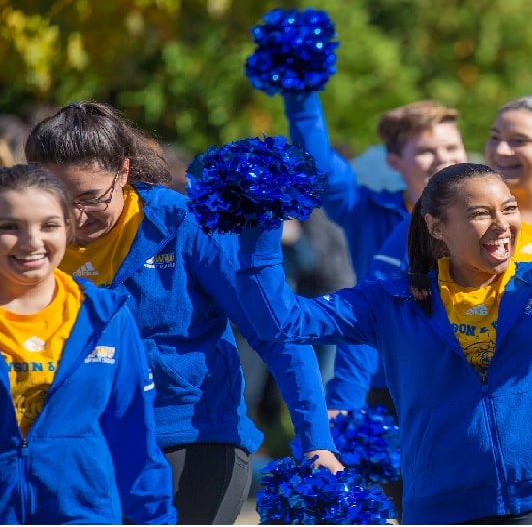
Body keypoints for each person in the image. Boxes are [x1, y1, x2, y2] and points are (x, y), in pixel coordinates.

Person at [230, 162, 532, 524]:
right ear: (437, 227)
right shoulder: (390, 302)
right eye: (479, 213)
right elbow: (281, 320)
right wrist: (260, 229)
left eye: (508, 208)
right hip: (442, 505)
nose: (502, 224)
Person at [23, 102, 341, 525]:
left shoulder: (183, 224)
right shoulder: (26, 242)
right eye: (60, 199)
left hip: (193, 439)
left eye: (91, 198)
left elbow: (274, 331)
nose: (76, 218)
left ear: (123, 171)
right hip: (78, 445)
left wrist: (316, 439)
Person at [0, 163, 176, 524]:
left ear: (69, 228)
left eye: (48, 225)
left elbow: (135, 442)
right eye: (10, 227)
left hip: (83, 515)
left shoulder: (106, 317)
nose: (32, 242)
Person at [281, 91, 468, 418]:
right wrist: (301, 93)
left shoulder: (488, 217)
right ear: (394, 161)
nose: (443, 159)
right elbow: (319, 164)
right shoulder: (370, 212)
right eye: (426, 151)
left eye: (452, 148)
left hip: (461, 376)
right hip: (381, 380)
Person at [366, 93, 532, 278]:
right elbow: (378, 298)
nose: (500, 151)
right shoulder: (444, 211)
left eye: (519, 141)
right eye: (494, 138)